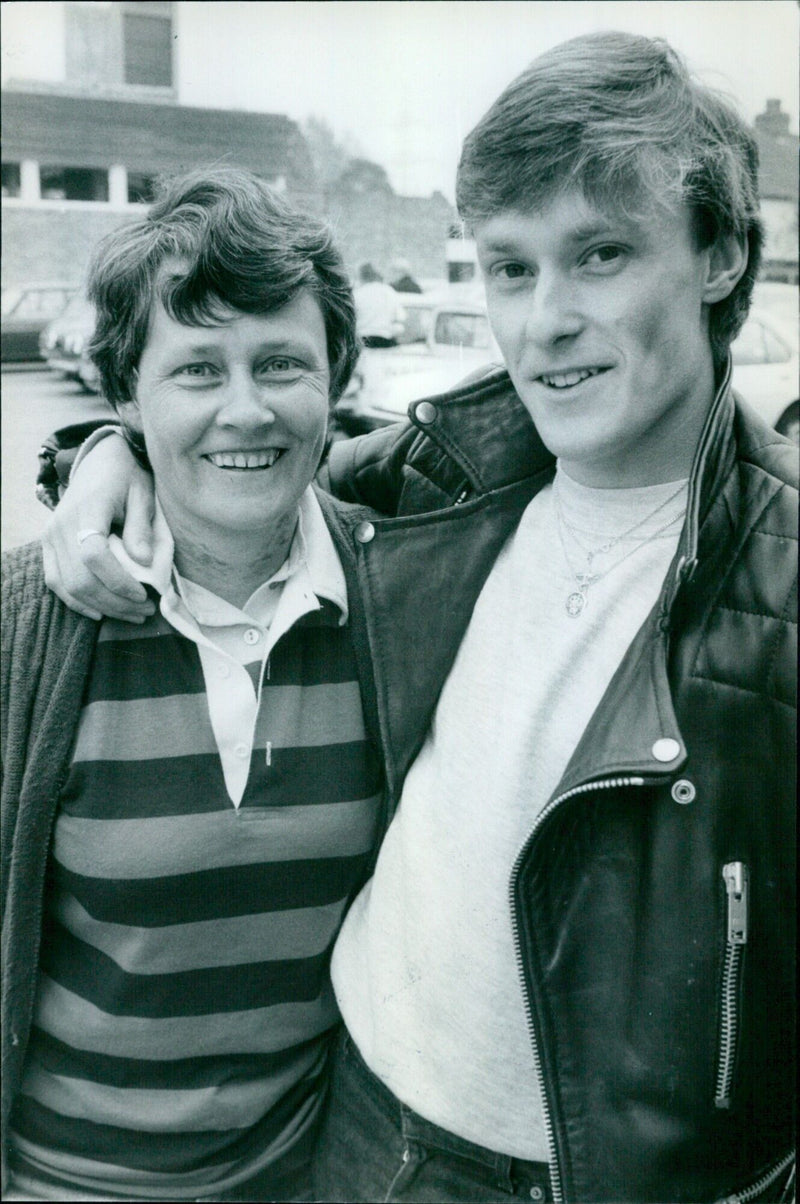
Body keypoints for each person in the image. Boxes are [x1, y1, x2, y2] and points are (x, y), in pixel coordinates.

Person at [32, 32, 797, 1204]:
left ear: (718, 253)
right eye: (506, 267)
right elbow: (238, 457)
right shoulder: (444, 486)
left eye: (596, 255)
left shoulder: (781, 577)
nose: (543, 321)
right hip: (349, 1139)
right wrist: (103, 455)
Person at [1, 167, 388, 1201]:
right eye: (197, 371)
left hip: (302, 1177)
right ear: (124, 393)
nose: (246, 410)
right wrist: (92, 463)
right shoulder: (25, 625)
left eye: (280, 363)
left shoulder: (401, 600)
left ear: (337, 377)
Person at [352, 262, 402, 347]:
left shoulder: (357, 293)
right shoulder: (389, 292)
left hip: (362, 341)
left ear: (361, 276)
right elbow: (400, 317)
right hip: (385, 340)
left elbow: (351, 318)